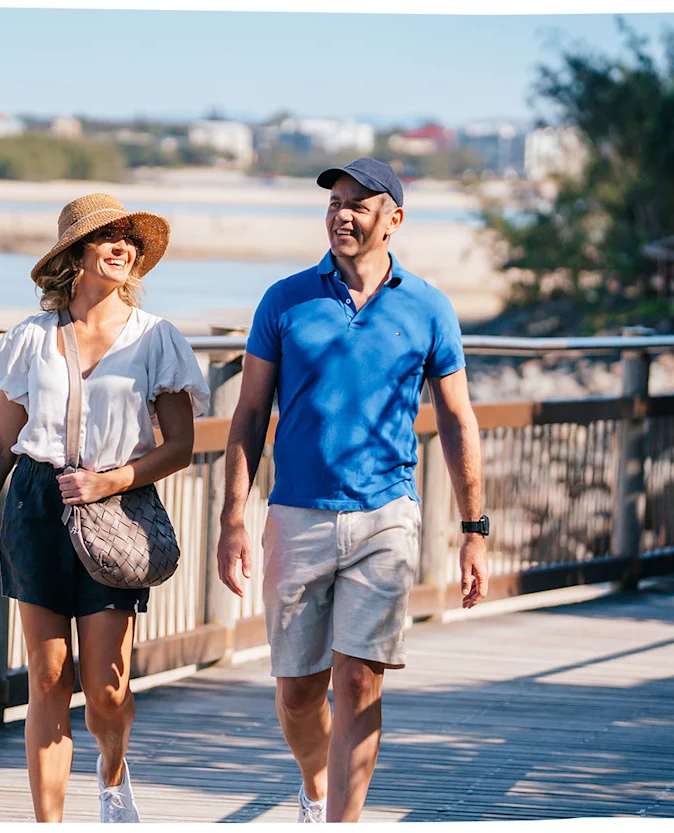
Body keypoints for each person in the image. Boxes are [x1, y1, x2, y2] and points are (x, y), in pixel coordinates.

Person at [214, 159, 489, 822]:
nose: (342, 213)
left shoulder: (428, 306)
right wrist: (233, 518)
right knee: (298, 693)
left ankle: (342, 821)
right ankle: (316, 782)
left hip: (387, 515)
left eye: (359, 203)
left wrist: (474, 529)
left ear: (394, 218)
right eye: (335, 201)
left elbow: (456, 417)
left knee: (360, 681)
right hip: (298, 514)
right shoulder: (285, 300)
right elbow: (249, 414)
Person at [0, 193, 210, 823]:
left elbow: (181, 449)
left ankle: (112, 776)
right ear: (75, 255)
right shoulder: (31, 339)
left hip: (115, 507)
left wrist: (110, 482)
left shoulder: (156, 339)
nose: (122, 248)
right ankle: (50, 823)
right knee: (46, 677)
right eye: (107, 237)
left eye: (129, 240)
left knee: (107, 689)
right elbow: (1, 444)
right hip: (36, 506)